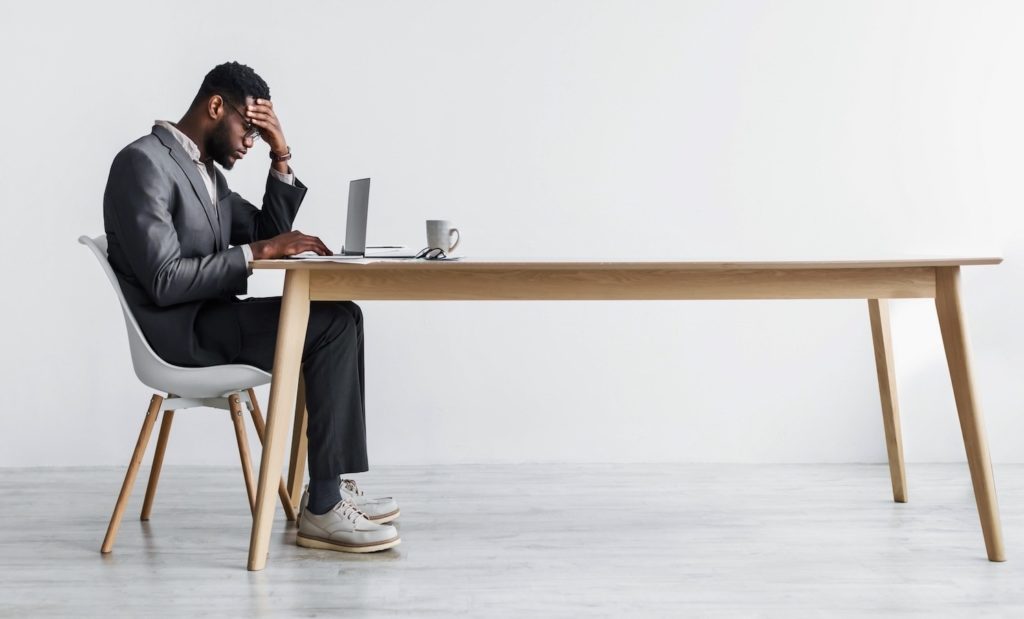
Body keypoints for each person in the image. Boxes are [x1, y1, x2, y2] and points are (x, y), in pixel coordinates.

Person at [103, 61, 400, 553]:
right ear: (215, 106)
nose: (250, 143)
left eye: (260, 136)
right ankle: (324, 507)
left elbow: (265, 232)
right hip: (183, 335)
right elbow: (163, 280)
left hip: (211, 319)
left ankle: (328, 485)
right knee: (329, 325)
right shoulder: (143, 163)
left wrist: (282, 156)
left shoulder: (206, 176)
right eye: (250, 128)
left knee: (342, 314)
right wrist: (257, 253)